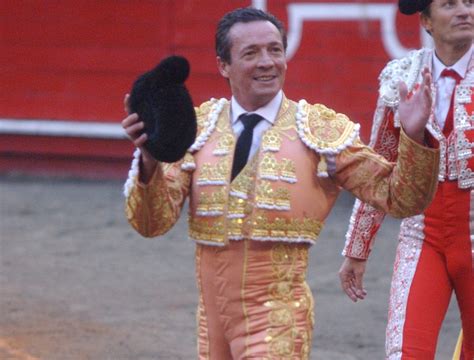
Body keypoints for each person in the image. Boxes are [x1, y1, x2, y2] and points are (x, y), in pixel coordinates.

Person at [122, 7, 439, 359]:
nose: (267, 62)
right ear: (223, 65)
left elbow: (401, 198)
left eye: (275, 50)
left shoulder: (318, 131)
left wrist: (414, 137)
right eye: (251, 53)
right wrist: (149, 159)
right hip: (210, 326)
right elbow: (152, 224)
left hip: (278, 322)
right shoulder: (199, 129)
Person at [339, 0, 473, 359]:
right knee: (405, 353)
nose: (464, 11)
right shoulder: (402, 76)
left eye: (470, 2)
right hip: (422, 235)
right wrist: (357, 248)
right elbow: (380, 166)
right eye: (450, 4)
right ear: (427, 20)